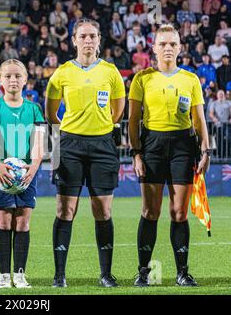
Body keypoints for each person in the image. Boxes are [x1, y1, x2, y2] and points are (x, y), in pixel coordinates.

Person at [129, 24, 210, 287]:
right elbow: (132, 121)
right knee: (150, 211)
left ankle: (182, 273)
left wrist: (206, 150)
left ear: (179, 47)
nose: (167, 48)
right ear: (154, 48)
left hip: (183, 147)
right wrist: (136, 153)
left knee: (179, 213)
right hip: (152, 145)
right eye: (162, 44)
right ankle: (143, 272)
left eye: (172, 44)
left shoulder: (190, 79)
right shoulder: (142, 79)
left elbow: (199, 119)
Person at [46, 19, 126, 288]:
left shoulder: (111, 72)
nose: (88, 40)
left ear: (100, 39)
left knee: (102, 210)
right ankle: (59, 275)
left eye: (93, 36)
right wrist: (70, 130)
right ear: (74, 40)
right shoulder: (62, 73)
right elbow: (51, 112)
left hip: (103, 146)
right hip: (70, 146)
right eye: (83, 36)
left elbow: (118, 109)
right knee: (65, 210)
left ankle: (105, 274)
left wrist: (101, 127)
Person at [0, 59, 45, 289]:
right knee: (3, 220)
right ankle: (3, 276)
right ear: (0, 80)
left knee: (22, 222)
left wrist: (35, 164)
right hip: (1, 173)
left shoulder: (34, 109)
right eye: (8, 76)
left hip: (27, 173)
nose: (13, 80)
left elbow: (38, 142)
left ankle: (19, 275)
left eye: (18, 76)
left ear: (25, 80)